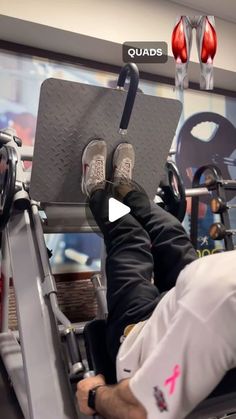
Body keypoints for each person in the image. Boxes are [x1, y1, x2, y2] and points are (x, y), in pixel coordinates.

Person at [77, 139, 236, 419]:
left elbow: (137, 410)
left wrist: (93, 395)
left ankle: (98, 192)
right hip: (185, 301)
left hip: (137, 335)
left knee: (131, 236)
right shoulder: (218, 288)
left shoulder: (220, 297)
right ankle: (127, 189)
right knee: (170, 232)